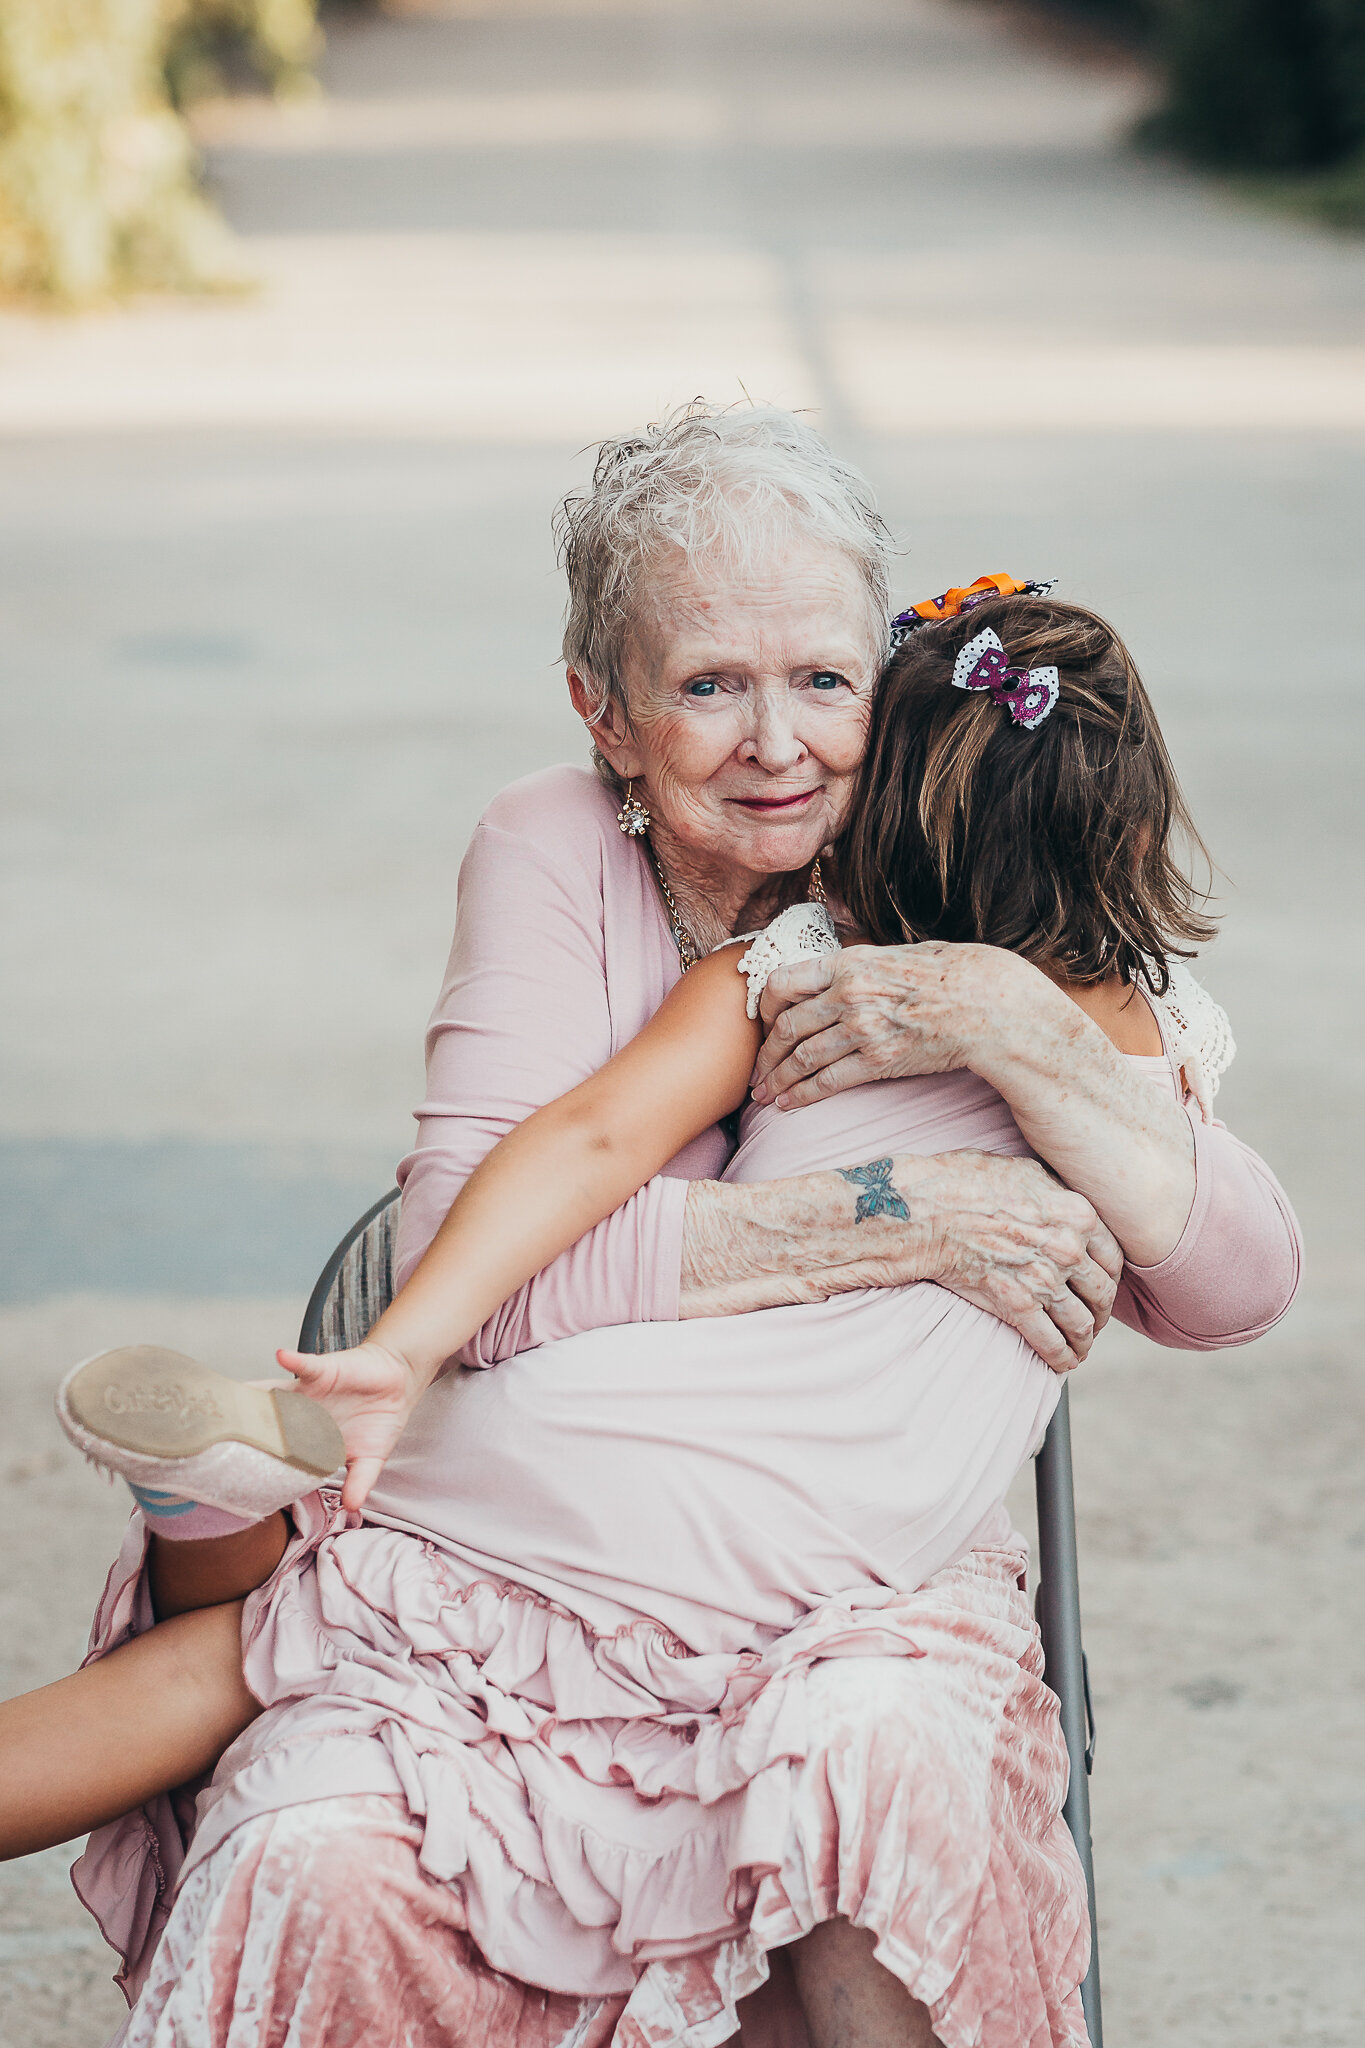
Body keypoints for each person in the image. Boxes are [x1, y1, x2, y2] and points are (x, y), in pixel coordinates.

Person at [10, 408, 1299, 2048]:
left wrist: (1002, 1020)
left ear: (889, 710)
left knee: (294, 1632)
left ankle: (237, 1493)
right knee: (309, 1686)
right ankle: (251, 1491)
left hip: (836, 1544)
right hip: (585, 1462)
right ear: (605, 716)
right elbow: (492, 1216)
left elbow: (1235, 1278)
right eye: (708, 685)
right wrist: (892, 1216)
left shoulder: (952, 944)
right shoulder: (671, 898)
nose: (777, 743)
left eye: (822, 682)